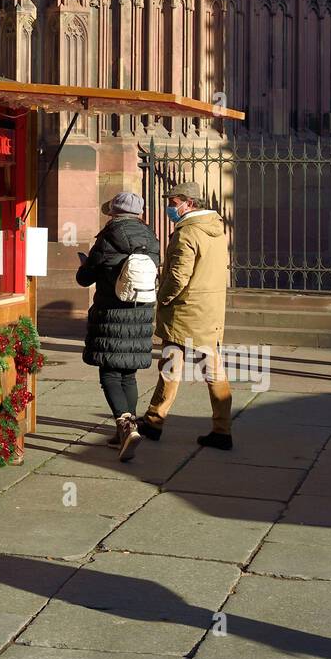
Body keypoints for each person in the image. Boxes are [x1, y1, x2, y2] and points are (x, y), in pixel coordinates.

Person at [137, 181, 233, 449]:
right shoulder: (215, 229)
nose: (170, 207)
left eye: (172, 202)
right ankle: (222, 430)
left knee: (170, 367)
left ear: (188, 203)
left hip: (185, 311)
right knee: (212, 370)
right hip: (209, 311)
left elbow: (179, 275)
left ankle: (155, 421)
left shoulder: (187, 233)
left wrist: (162, 297)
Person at [76, 191, 160, 461]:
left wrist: (86, 264)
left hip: (111, 312)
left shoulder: (107, 237)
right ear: (139, 214)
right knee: (128, 374)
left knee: (110, 373)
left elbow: (85, 278)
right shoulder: (151, 238)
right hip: (141, 312)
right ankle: (124, 431)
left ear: (113, 212)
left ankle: (125, 425)